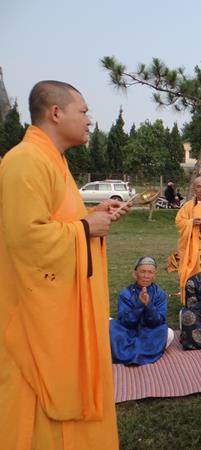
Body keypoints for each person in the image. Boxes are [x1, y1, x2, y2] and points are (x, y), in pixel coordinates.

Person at [0, 81, 129, 449]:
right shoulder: (25, 160)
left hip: (60, 309)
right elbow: (25, 239)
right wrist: (85, 228)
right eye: (83, 111)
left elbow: (56, 220)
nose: (89, 120)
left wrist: (92, 215)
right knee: (37, 409)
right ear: (56, 113)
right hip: (35, 322)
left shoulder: (54, 161)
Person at [110, 256, 174, 365]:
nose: (146, 276)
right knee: (108, 324)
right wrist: (139, 305)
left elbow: (158, 321)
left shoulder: (160, 294)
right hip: (127, 332)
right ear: (135, 274)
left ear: (154, 275)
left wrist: (148, 305)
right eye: (142, 272)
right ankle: (143, 352)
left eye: (150, 272)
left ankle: (128, 352)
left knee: (169, 333)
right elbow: (125, 322)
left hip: (150, 332)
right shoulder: (125, 293)